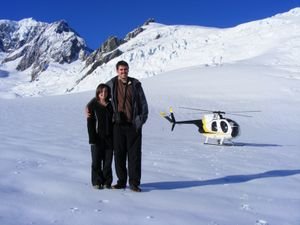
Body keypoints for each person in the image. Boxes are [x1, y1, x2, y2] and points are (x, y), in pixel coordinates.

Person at [107, 60, 148, 192]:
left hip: (133, 126)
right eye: (121, 70)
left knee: (134, 155)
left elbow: (144, 104)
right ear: (117, 71)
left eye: (125, 69)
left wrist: (139, 122)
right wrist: (89, 107)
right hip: (117, 126)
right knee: (119, 155)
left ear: (128, 70)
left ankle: (134, 183)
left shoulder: (135, 85)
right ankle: (121, 181)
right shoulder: (111, 84)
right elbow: (100, 96)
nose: (123, 72)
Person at [86, 83, 113, 189]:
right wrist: (92, 138)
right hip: (97, 137)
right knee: (96, 161)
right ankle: (97, 182)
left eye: (105, 91)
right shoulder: (93, 105)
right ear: (98, 92)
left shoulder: (111, 105)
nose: (103, 93)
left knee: (108, 162)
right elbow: (90, 123)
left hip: (109, 138)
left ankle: (107, 182)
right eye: (101, 91)